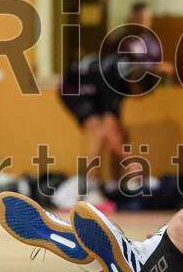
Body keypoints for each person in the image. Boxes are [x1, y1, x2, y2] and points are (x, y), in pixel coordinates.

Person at [57, 42, 162, 203]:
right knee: (98, 132)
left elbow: (114, 125)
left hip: (94, 90)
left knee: (122, 134)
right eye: (141, 94)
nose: (140, 99)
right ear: (134, 82)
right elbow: (108, 128)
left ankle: (114, 185)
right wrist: (131, 162)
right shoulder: (115, 79)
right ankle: (93, 188)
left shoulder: (127, 76)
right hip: (73, 88)